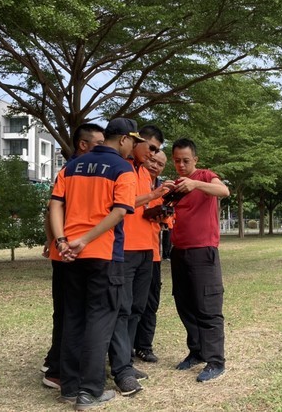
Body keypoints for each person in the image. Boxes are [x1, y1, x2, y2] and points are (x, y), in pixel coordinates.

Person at [49, 117, 142, 409]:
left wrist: (63, 241)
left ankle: (70, 387)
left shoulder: (71, 166)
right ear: (124, 139)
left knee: (73, 318)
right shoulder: (122, 169)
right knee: (100, 321)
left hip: (69, 256)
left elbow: (54, 205)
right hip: (101, 254)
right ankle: (89, 391)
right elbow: (118, 213)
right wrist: (86, 240)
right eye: (134, 142)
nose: (133, 148)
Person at [41, 123, 105, 390]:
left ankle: (57, 364)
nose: (104, 149)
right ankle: (57, 370)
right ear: (83, 144)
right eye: (99, 143)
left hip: (72, 250)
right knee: (70, 314)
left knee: (71, 313)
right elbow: (53, 208)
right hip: (68, 252)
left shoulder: (79, 169)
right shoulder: (72, 170)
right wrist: (56, 241)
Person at [108, 125, 168, 396]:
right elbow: (125, 202)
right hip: (124, 250)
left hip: (148, 249)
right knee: (122, 308)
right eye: (151, 148)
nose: (153, 155)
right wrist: (154, 196)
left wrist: (160, 209)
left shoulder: (145, 173)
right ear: (136, 142)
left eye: (157, 150)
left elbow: (143, 207)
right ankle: (120, 366)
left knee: (136, 308)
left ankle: (127, 362)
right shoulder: (121, 167)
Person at [168, 138, 230, 382]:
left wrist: (195, 183)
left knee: (208, 307)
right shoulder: (176, 185)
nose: (181, 165)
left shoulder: (204, 176)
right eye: (177, 161)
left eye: (186, 160)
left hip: (203, 250)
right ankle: (196, 352)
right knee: (185, 304)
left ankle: (216, 360)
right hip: (179, 250)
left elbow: (223, 191)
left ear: (195, 159)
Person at [134, 150, 169, 363]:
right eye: (153, 161)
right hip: (132, 250)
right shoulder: (133, 178)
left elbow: (165, 220)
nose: (155, 166)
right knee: (131, 303)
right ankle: (125, 347)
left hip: (153, 252)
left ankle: (144, 346)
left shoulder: (162, 187)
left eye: (161, 164)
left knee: (150, 302)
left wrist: (164, 215)